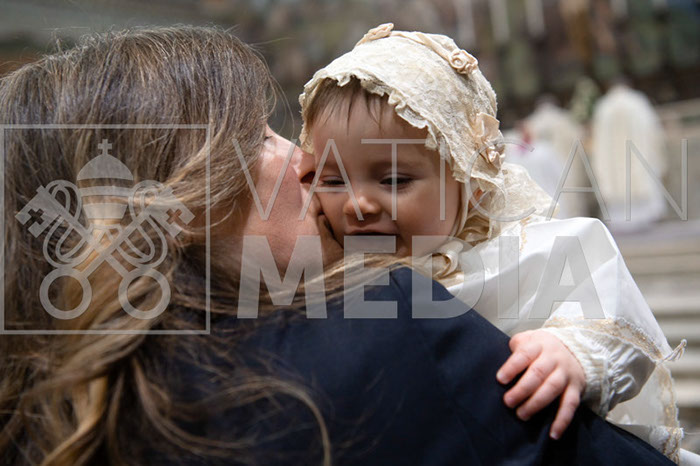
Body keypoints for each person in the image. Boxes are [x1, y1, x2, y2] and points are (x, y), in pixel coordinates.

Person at [0, 26, 678, 465]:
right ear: (174, 206)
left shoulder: (48, 422)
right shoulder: (384, 330)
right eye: (259, 137)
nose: (305, 163)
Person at [298, 24, 686, 461]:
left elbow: (606, 299)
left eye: (393, 180)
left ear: (473, 186)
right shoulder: (326, 278)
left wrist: (571, 352)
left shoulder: (518, 256)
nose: (357, 204)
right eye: (333, 181)